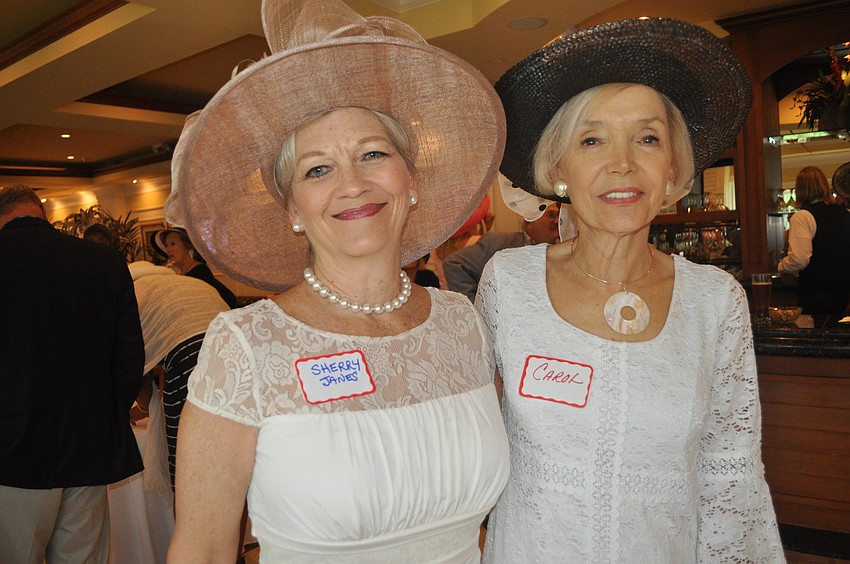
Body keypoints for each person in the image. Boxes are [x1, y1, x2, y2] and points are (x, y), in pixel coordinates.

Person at [165, 0, 509, 561]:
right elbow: (202, 548)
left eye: (373, 153)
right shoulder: (246, 347)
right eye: (318, 169)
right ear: (294, 209)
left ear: (410, 180)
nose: (352, 183)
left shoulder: (462, 322)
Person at [480, 18, 784, 562]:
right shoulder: (508, 281)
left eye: (647, 139)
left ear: (672, 171)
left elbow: (731, 473)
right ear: (559, 169)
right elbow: (469, 442)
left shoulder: (716, 302)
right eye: (592, 140)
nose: (622, 164)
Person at [0, 184, 145, 563]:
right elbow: (129, 357)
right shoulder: (103, 261)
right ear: (40, 213)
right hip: (88, 445)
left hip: (11, 454)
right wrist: (104, 415)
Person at [128, 260, 230, 489]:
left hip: (189, 355)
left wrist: (145, 408)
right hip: (237, 351)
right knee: (233, 456)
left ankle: (189, 519)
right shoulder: (185, 281)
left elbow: (134, 368)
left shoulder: (132, 294)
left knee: (185, 464)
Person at [444, 174, 563, 301]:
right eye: (551, 215)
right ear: (530, 221)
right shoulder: (497, 243)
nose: (556, 221)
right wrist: (476, 310)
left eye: (558, 216)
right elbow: (453, 264)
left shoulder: (564, 251)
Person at [778, 166, 850, 315]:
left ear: (799, 190)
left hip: (816, 295)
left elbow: (799, 259)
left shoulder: (803, 216)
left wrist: (781, 266)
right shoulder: (844, 214)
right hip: (844, 296)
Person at [152, 226, 239, 309]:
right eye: (166, 245)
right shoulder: (184, 274)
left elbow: (228, 300)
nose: (168, 250)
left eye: (173, 244)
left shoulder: (199, 272)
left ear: (188, 246)